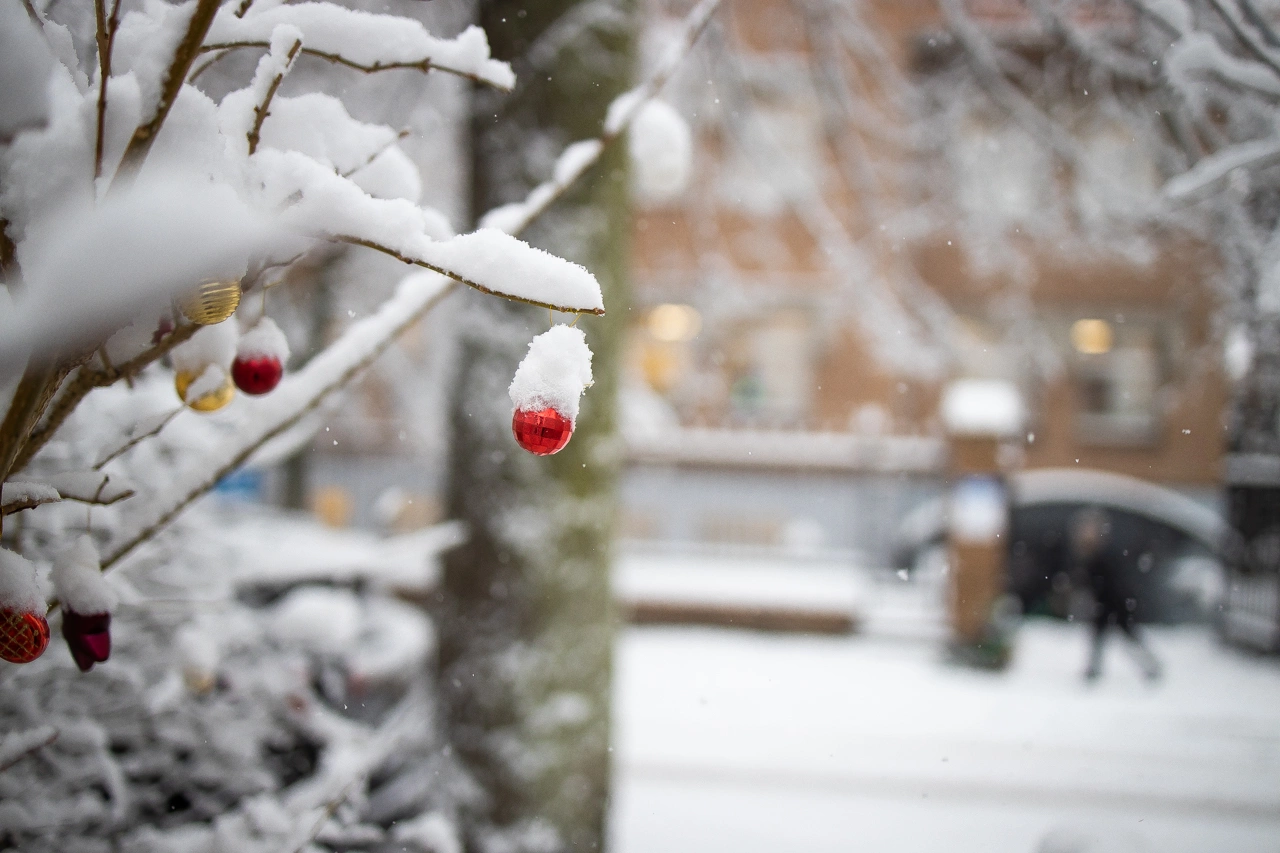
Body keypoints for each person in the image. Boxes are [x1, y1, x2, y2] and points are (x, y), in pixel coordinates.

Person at [1070, 507, 1161, 682]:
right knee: (1103, 638)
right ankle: (1094, 670)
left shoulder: (1102, 556)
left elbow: (1108, 584)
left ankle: (1149, 666)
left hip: (1114, 604)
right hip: (1105, 605)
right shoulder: (1089, 556)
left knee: (1127, 637)